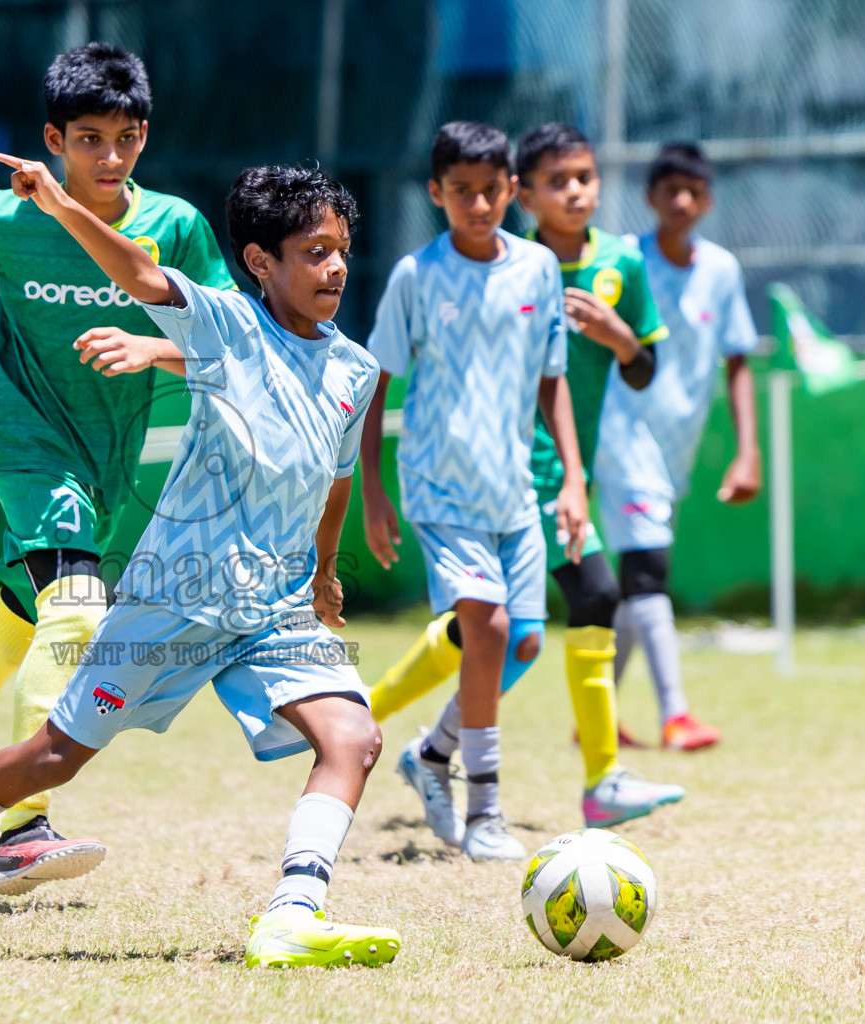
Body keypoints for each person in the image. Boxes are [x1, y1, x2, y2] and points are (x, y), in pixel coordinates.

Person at [0, 160, 402, 969]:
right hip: (176, 596)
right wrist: (61, 204)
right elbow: (137, 270)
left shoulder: (353, 370)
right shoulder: (224, 324)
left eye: (342, 250)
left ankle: (290, 916)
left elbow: (334, 481)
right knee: (53, 757)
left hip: (272, 610)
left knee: (353, 738)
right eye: (313, 252)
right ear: (260, 263)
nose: (335, 267)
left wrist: (322, 572)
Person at [0, 43, 236, 896]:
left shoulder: (173, 227)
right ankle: (22, 831)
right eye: (89, 138)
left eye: (127, 138)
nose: (109, 158)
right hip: (30, 450)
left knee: (11, 640)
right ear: (52, 140)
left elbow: (229, 343)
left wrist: (153, 347)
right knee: (77, 614)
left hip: (108, 464)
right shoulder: (6, 218)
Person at [366, 123, 686, 830]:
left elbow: (640, 369)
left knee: (515, 634)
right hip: (499, 472)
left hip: (558, 472)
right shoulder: (485, 267)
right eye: (558, 181)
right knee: (571, 602)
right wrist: (374, 489)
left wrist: (617, 335)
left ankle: (415, 738)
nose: (575, 192)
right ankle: (588, 776)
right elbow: (386, 374)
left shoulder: (619, 266)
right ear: (529, 195)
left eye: (585, 177)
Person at [359, 121, 587, 860]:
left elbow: (554, 384)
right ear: (437, 193)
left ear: (512, 191)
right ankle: (485, 812)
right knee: (483, 628)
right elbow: (375, 383)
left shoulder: (538, 272)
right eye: (462, 192)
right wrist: (374, 492)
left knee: (520, 642)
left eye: (492, 190)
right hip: (438, 487)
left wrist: (574, 480)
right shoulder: (415, 277)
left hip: (514, 492)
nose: (479, 204)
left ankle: (429, 755)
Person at [597, 142, 760, 750]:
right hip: (620, 435)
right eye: (671, 190)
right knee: (648, 569)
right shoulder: (624, 262)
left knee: (637, 581)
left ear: (707, 200)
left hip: (676, 448)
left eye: (694, 191)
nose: (682, 201)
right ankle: (677, 715)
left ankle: (599, 713)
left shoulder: (721, 270)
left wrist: (749, 451)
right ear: (651, 198)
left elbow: (738, 358)